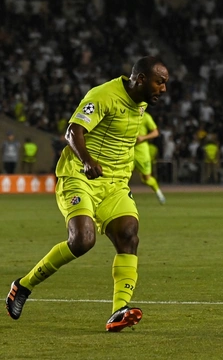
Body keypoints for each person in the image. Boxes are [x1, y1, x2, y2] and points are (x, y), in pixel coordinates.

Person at [5, 56, 169, 332]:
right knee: (82, 240)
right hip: (80, 176)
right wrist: (86, 160)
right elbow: (73, 131)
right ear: (140, 78)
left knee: (128, 234)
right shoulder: (103, 95)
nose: (163, 89)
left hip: (114, 183)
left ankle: (119, 309)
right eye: (159, 82)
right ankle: (23, 285)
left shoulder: (141, 103)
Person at [134, 111, 166, 204]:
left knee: (146, 178)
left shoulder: (146, 117)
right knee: (122, 175)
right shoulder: (126, 114)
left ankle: (159, 193)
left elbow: (155, 132)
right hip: (127, 149)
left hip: (141, 151)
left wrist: (143, 137)